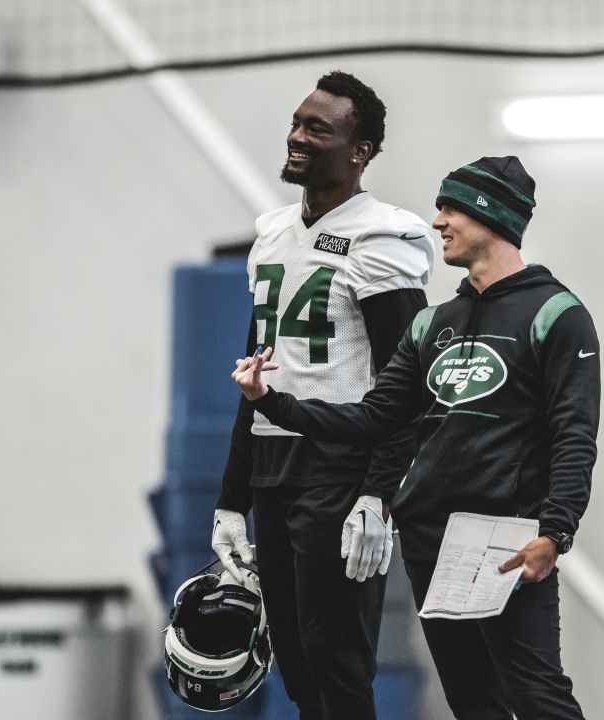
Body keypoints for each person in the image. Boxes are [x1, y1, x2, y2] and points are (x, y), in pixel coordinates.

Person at [233, 156, 597, 720]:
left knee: (538, 698)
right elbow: (374, 417)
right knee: (473, 703)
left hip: (508, 537)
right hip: (431, 542)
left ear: (491, 215)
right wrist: (271, 402)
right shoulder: (435, 322)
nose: (437, 221)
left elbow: (575, 435)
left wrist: (556, 530)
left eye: (451, 208)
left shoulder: (556, 314)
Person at [210, 71, 436, 720]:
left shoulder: (380, 237)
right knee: (299, 668)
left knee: (338, 665)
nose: (297, 136)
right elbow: (255, 377)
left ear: (359, 151)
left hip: (339, 467)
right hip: (274, 465)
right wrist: (232, 499)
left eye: (318, 128)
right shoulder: (273, 234)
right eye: (296, 121)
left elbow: (407, 381)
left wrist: (379, 492)